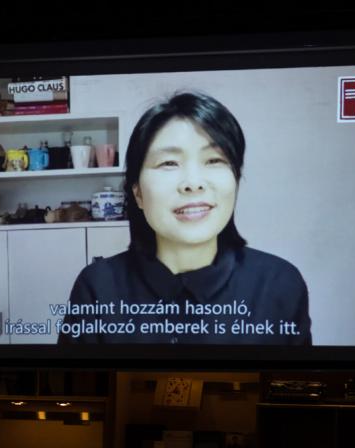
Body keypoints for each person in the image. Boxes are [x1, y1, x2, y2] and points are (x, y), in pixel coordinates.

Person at [58, 92, 312, 346]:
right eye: (169, 163)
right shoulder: (97, 287)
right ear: (138, 193)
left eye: (214, 160)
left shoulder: (279, 283)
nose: (193, 183)